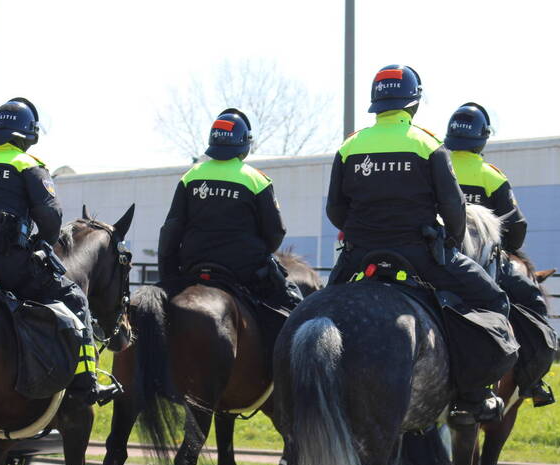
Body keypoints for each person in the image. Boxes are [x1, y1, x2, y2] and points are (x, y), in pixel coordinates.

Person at [325, 65, 511, 424]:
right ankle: (473, 395)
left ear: (375, 104)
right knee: (493, 300)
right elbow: (453, 208)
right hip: (420, 254)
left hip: (359, 256)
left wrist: (359, 235)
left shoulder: (349, 146)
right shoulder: (427, 144)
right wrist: (451, 245)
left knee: (315, 308)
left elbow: (335, 208)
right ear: (413, 104)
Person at [0, 97, 117, 406]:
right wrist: (40, 247)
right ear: (27, 135)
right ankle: (87, 383)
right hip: (3, 259)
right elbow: (51, 217)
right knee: (73, 296)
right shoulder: (28, 165)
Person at [157, 108, 303, 347]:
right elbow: (275, 233)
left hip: (193, 266)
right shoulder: (256, 180)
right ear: (244, 144)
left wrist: (168, 276)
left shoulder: (191, 177)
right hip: (244, 270)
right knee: (293, 307)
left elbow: (171, 230)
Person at [444, 102, 554, 406]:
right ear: (482, 138)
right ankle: (533, 379)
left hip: (432, 257)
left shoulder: (435, 165)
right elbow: (516, 230)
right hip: (479, 265)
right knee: (533, 304)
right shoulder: (491, 176)